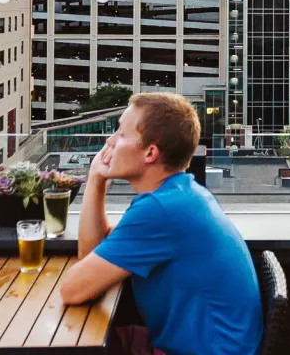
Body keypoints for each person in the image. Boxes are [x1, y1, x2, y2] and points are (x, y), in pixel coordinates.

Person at [59, 92, 263, 355]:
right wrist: (96, 179)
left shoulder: (161, 210)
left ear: (150, 153)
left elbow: (73, 289)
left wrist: (97, 178)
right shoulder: (178, 195)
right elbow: (94, 257)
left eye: (121, 133)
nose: (109, 141)